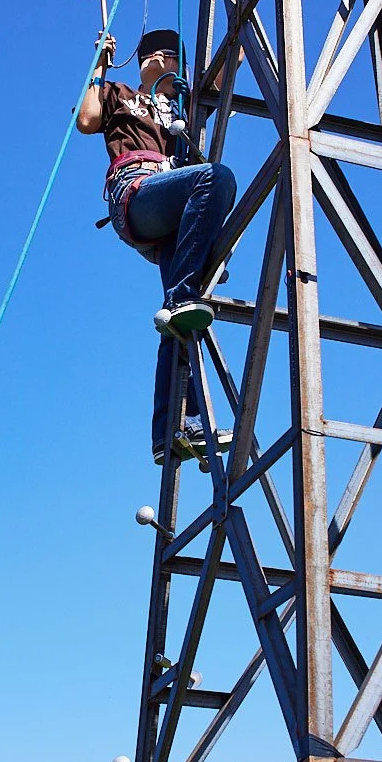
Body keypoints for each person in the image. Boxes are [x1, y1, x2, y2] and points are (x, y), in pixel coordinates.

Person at [76, 27, 237, 466]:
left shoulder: (182, 108)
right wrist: (99, 66)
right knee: (215, 178)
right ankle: (185, 298)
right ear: (144, 62)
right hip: (136, 191)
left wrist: (242, 8)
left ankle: (172, 428)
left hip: (170, 217)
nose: (168, 61)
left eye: (174, 56)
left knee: (179, 316)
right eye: (160, 55)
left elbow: (225, 74)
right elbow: (87, 121)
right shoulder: (121, 94)